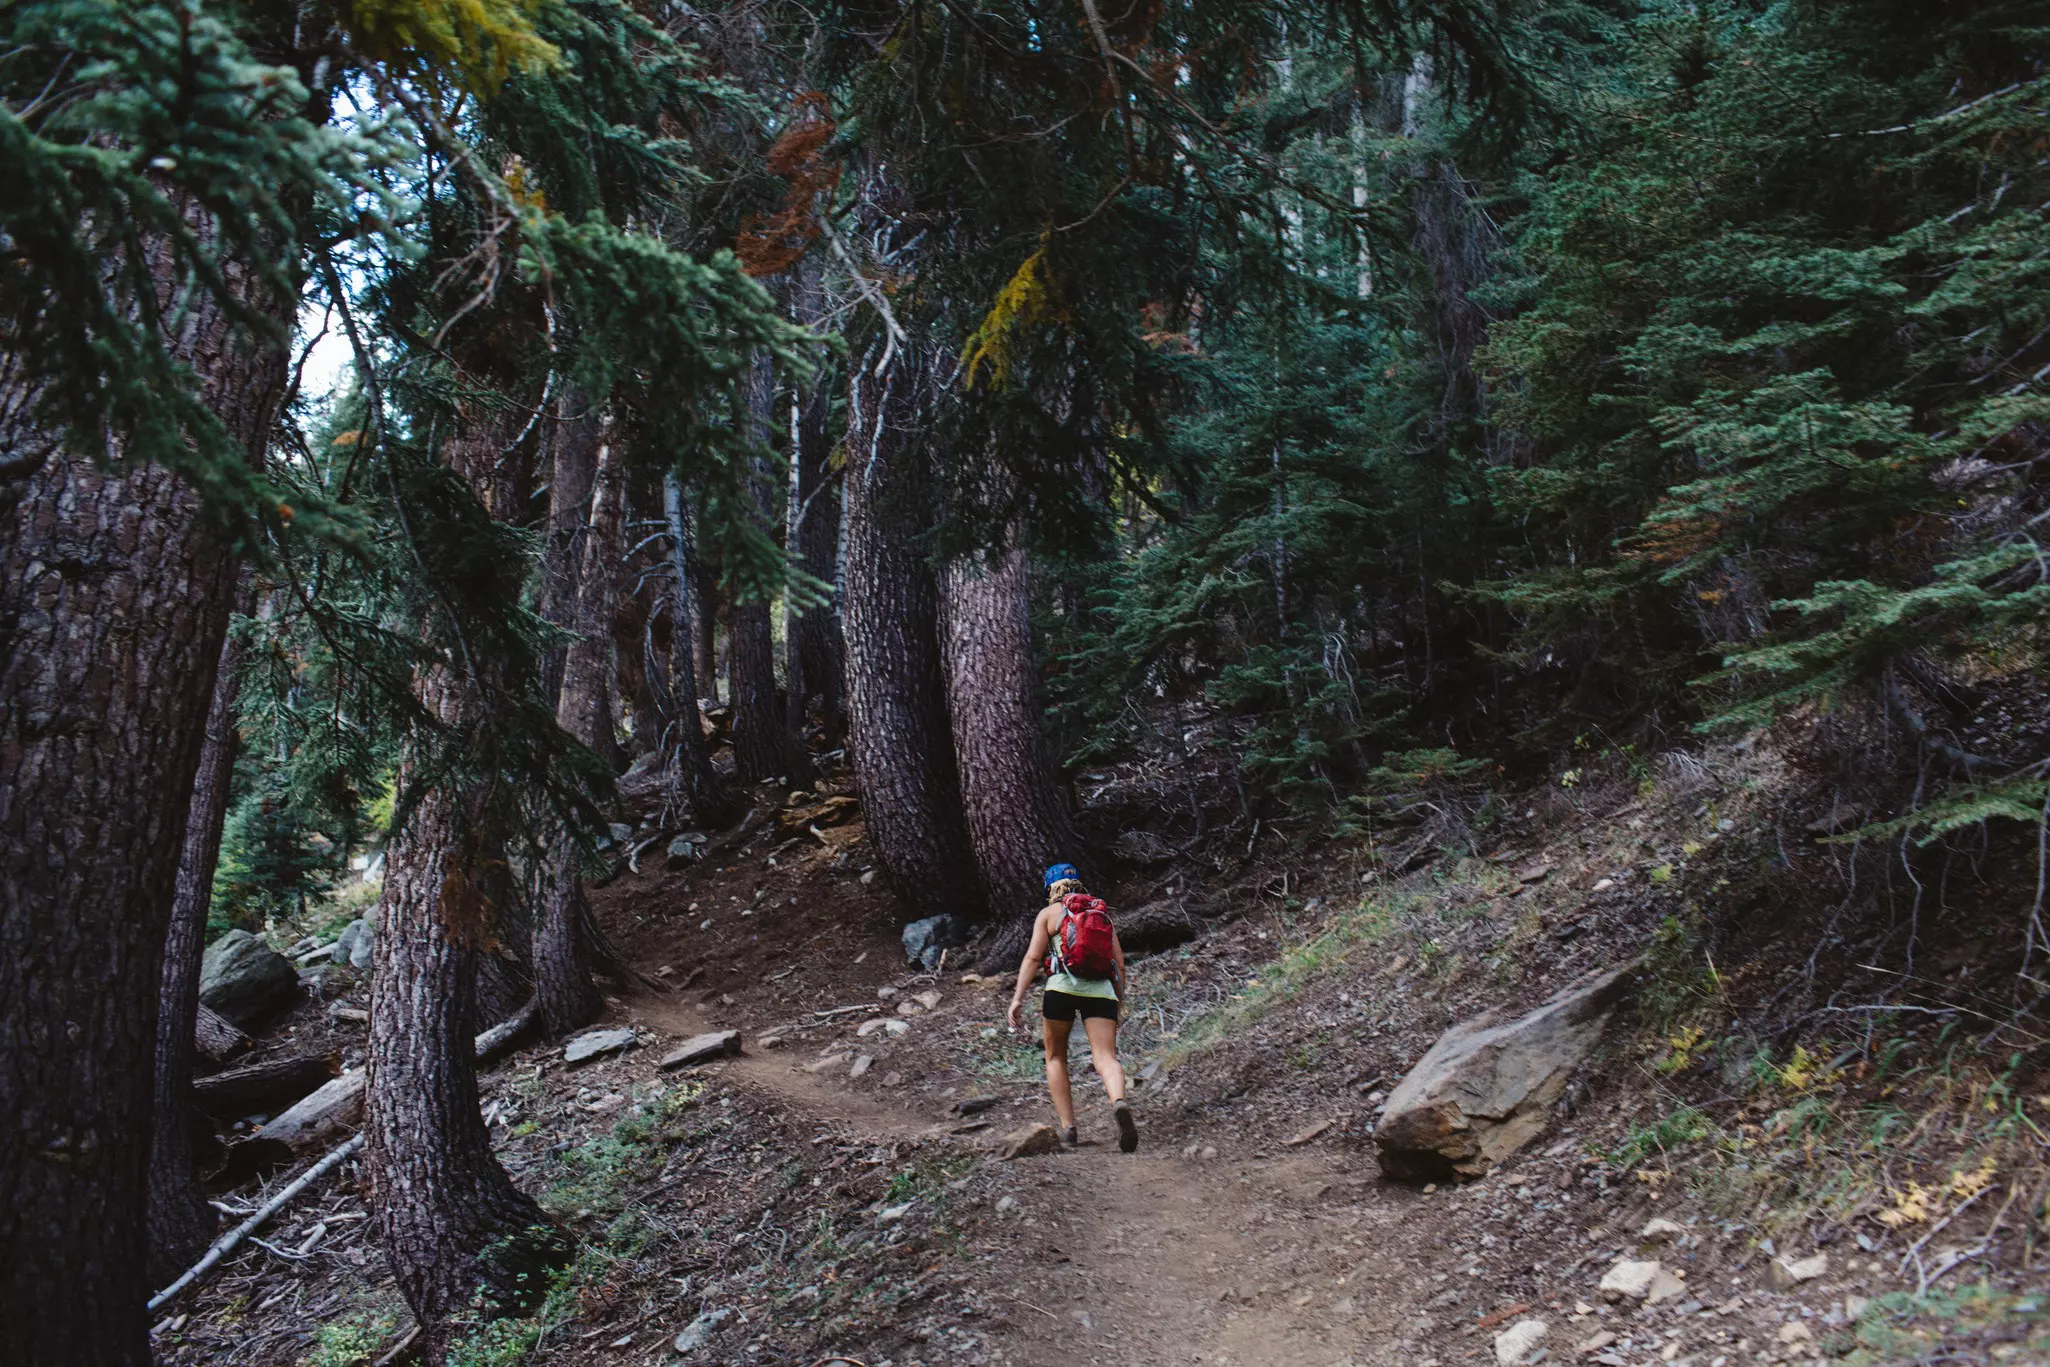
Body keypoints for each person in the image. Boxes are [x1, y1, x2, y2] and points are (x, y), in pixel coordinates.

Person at [1006, 862, 1139, 1153]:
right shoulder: (1100, 913)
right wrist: (1118, 999)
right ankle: (1118, 1101)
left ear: (1049, 888)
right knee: (1105, 1057)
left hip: (1060, 990)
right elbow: (1118, 963)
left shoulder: (1047, 915)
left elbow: (1032, 958)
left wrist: (1017, 998)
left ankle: (1069, 1128)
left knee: (1055, 1057)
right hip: (1101, 992)